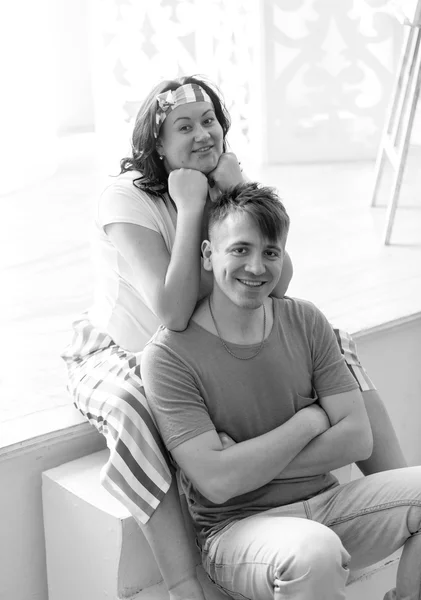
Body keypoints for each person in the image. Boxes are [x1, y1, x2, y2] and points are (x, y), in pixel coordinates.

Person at [61, 75, 406, 600]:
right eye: (184, 126)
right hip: (128, 346)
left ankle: (393, 490)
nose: (203, 134)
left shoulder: (222, 181)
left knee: (329, 337)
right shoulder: (125, 199)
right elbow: (172, 313)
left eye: (209, 121)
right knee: (134, 406)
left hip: (205, 330)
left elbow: (276, 282)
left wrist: (231, 189)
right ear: (156, 143)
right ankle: (183, 581)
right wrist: (195, 205)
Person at [141, 182, 421, 600]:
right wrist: (310, 421)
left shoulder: (305, 320)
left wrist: (242, 464)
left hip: (330, 506)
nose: (256, 267)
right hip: (238, 533)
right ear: (206, 254)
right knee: (313, 552)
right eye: (240, 249)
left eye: (270, 253)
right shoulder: (168, 357)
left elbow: (357, 438)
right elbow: (217, 487)